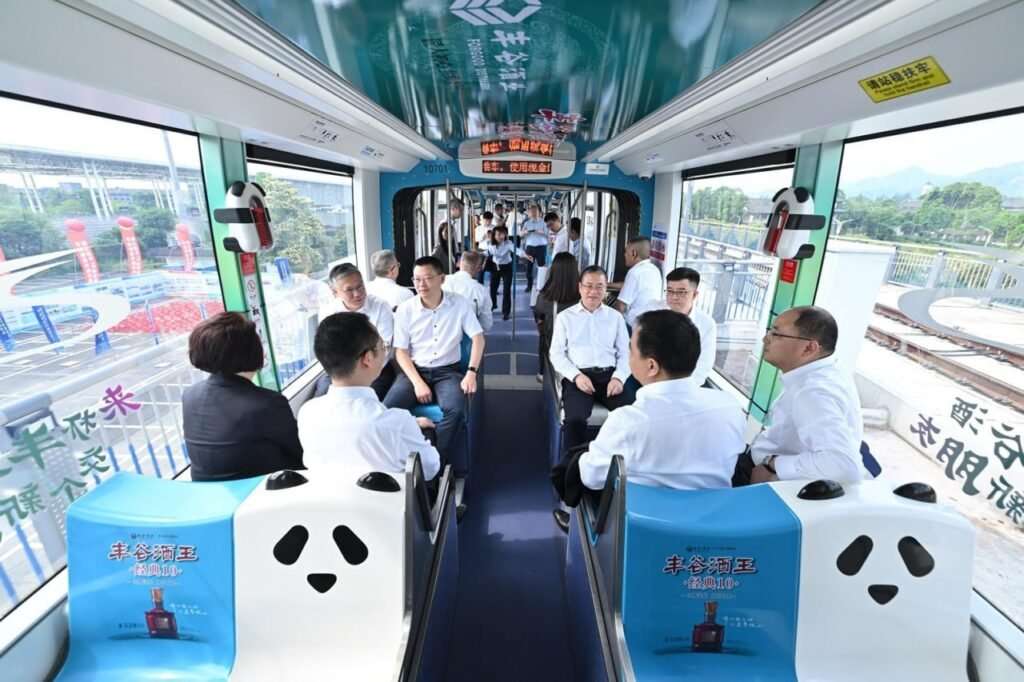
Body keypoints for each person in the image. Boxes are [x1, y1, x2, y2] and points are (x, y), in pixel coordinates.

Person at [578, 310, 745, 491]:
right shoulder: (730, 406)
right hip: (715, 514)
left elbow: (591, 477)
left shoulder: (628, 421)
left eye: (631, 349)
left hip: (643, 517)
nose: (628, 355)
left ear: (651, 366)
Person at [298, 312, 440, 479]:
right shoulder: (395, 423)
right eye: (383, 347)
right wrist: (410, 427)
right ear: (367, 358)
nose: (385, 352)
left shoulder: (308, 413)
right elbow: (430, 469)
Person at [385, 256, 485, 479]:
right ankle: (397, 461)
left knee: (456, 409)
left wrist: (471, 373)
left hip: (447, 371)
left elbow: (478, 338)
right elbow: (400, 351)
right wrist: (418, 383)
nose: (422, 284)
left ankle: (435, 463)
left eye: (428, 278)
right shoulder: (406, 309)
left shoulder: (459, 304)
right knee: (387, 409)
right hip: (414, 371)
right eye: (417, 279)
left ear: (442, 279)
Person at [746, 306, 865, 484]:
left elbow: (845, 466)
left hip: (773, 480)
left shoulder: (813, 392)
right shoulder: (821, 371)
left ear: (809, 348)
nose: (766, 339)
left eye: (776, 334)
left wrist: (772, 465)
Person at [182, 312, 303, 481]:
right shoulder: (266, 403)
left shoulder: (190, 395)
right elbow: (302, 452)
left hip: (209, 492)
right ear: (251, 351)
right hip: (259, 494)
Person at [549, 266, 636, 456]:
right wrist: (576, 376)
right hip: (578, 376)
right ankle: (572, 469)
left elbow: (625, 354)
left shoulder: (615, 318)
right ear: (580, 287)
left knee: (634, 415)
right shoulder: (565, 318)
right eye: (588, 286)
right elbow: (556, 354)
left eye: (599, 287)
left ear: (606, 289)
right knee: (575, 420)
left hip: (609, 376)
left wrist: (619, 378)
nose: (593, 292)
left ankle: (626, 463)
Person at [317, 263, 396, 400]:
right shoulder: (328, 312)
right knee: (321, 397)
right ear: (335, 292)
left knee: (366, 402)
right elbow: (329, 350)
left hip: (375, 369)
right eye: (349, 290)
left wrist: (361, 378)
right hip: (339, 372)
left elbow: (385, 348)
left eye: (360, 286)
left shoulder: (380, 307)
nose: (358, 294)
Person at [632, 267, 717, 386]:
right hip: (648, 377)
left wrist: (677, 389)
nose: (674, 297)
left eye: (681, 292)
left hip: (684, 385)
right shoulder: (652, 309)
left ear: (695, 294)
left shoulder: (706, 324)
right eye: (670, 291)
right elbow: (636, 345)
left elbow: (703, 367)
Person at [533, 252, 580, 381]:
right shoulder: (583, 297)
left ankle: (542, 373)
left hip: (553, 343)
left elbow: (538, 314)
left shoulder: (545, 297)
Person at [613, 236, 663, 327]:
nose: (624, 255)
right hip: (650, 324)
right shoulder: (654, 269)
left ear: (633, 253)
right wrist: (608, 284)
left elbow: (621, 307)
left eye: (626, 252)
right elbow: (630, 286)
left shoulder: (634, 272)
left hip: (634, 325)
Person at [484, 224, 530, 320]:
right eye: (498, 235)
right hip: (495, 268)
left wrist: (525, 255)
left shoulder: (508, 244)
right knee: (492, 289)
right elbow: (486, 253)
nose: (501, 237)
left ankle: (506, 312)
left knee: (506, 290)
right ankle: (493, 305)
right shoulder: (490, 245)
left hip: (506, 268)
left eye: (503, 234)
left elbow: (517, 251)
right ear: (494, 236)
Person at [443, 250, 493, 332]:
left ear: (459, 263)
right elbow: (487, 324)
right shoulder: (481, 291)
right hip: (468, 335)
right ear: (479, 269)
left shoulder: (443, 281)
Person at [518, 203, 548, 291]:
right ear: (529, 213)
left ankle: (542, 286)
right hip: (530, 248)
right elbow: (521, 235)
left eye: (535, 211)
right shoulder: (526, 223)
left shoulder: (544, 223)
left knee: (541, 268)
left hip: (541, 247)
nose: (533, 213)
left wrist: (540, 232)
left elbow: (548, 234)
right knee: (529, 268)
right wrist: (524, 233)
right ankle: (529, 286)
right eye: (531, 211)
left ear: (539, 212)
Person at [475, 211, 495, 284]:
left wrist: (492, 238)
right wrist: (484, 237)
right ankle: (480, 286)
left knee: (494, 269)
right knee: (480, 270)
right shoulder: (478, 228)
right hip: (482, 250)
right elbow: (476, 239)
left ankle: (493, 288)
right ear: (483, 219)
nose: (488, 222)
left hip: (492, 250)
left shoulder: (494, 228)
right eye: (486, 220)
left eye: (489, 220)